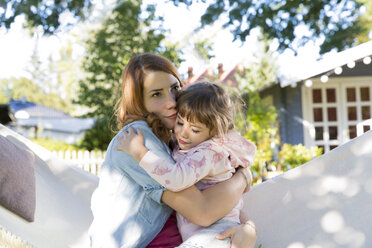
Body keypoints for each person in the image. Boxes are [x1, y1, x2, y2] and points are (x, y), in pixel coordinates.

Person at [88, 53, 257, 248]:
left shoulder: (179, 140)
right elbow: (203, 212)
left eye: (175, 88)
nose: (172, 102)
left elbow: (219, 198)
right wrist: (243, 176)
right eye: (156, 94)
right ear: (139, 102)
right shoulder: (136, 140)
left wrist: (248, 227)